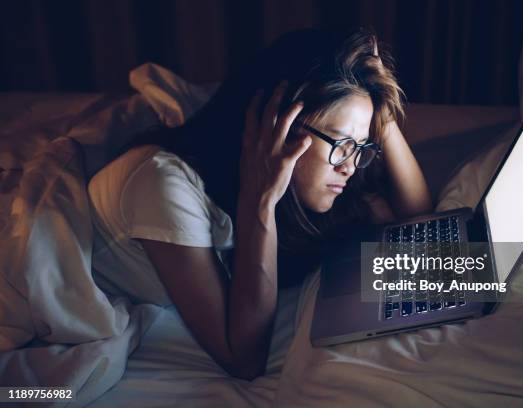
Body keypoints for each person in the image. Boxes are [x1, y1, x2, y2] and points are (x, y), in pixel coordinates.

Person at [87, 27, 432, 380]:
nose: (350, 166)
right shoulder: (162, 186)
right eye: (342, 144)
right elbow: (243, 358)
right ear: (277, 127)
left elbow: (421, 221)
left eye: (361, 147)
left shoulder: (317, 177)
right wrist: (261, 198)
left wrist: (379, 104)